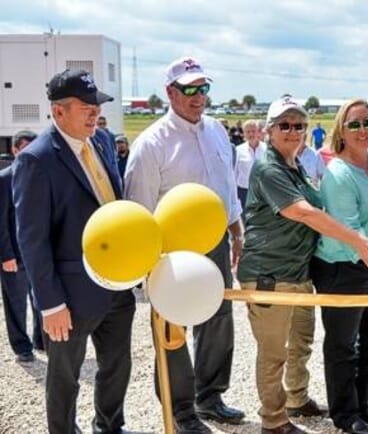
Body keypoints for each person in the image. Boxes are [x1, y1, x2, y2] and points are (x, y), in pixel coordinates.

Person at [237, 95, 368, 434]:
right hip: (269, 275)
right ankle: (273, 421)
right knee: (274, 352)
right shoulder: (268, 167)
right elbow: (302, 212)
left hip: (299, 273)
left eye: (299, 125)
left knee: (300, 343)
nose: (293, 131)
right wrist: (356, 239)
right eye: (285, 125)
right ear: (270, 131)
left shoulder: (295, 164)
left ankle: (297, 399)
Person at [124, 56, 245, 434]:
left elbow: (226, 186)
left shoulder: (217, 132)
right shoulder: (151, 145)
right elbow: (139, 207)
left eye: (203, 88)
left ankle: (210, 397)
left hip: (215, 243)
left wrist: (236, 227)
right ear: (170, 93)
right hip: (171, 254)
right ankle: (181, 410)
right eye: (189, 89)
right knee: (173, 331)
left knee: (219, 321)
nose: (198, 97)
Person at [12, 69, 135, 433]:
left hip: (117, 284)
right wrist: (50, 304)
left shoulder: (103, 143)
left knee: (117, 365)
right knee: (65, 376)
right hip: (70, 295)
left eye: (97, 106)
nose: (95, 113)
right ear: (58, 111)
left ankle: (109, 426)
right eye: (86, 107)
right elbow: (32, 240)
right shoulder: (36, 160)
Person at [311, 99, 368, 434]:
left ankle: (361, 404)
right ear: (341, 131)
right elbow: (352, 232)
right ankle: (345, 415)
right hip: (343, 267)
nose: (363, 130)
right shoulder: (338, 173)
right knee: (342, 344)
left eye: (367, 122)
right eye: (354, 125)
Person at [0, 130, 44, 364]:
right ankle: (22, 347)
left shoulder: (39, 177)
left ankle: (41, 340)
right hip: (13, 256)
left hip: (37, 254)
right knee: (16, 304)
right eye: (25, 148)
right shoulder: (3, 179)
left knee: (41, 298)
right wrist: (5, 255)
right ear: (15, 150)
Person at [235, 119, 266, 211]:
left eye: (253, 131)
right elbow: (234, 173)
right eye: (248, 132)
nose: (251, 134)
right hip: (244, 191)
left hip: (263, 191)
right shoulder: (238, 150)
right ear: (244, 134)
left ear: (258, 132)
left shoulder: (267, 149)